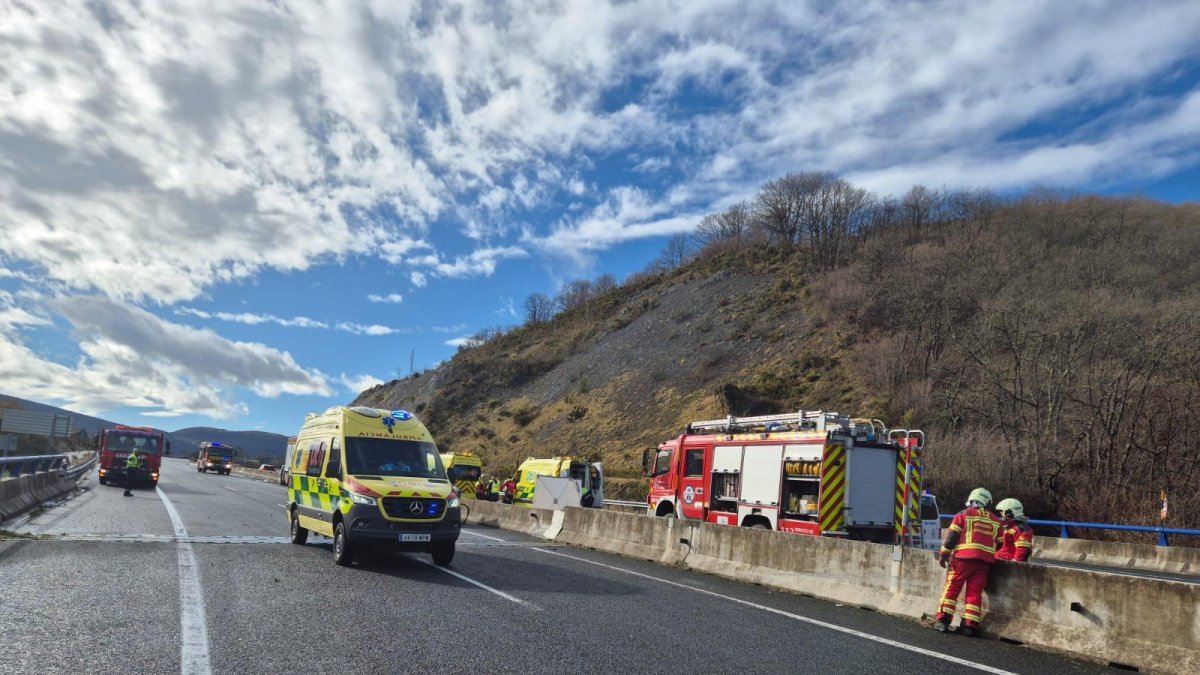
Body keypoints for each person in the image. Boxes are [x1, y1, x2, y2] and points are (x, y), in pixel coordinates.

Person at [933, 487, 1002, 637]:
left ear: (971, 500)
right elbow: (1001, 544)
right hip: (984, 563)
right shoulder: (996, 521)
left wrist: (944, 554)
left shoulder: (963, 515)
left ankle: (943, 621)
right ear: (987, 502)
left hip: (962, 560)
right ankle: (969, 626)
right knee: (974, 594)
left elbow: (951, 538)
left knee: (951, 589)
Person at [995, 498, 1034, 562]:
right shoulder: (1010, 526)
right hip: (1002, 559)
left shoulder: (1022, 529)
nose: (1001, 514)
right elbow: (1006, 543)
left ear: (1010, 512)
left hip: (1008, 562)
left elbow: (1021, 550)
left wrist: (1014, 564)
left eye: (1002, 512)